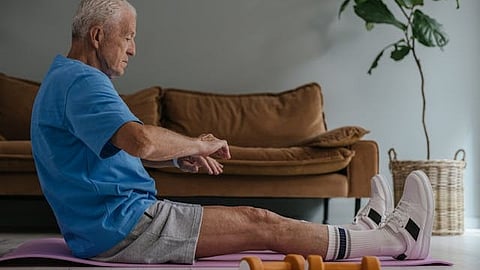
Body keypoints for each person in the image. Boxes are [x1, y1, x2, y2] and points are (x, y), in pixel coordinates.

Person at [31, 0, 435, 264]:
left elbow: (113, 146)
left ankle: (360, 232)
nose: (133, 48)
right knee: (260, 221)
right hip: (125, 227)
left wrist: (176, 155)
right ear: (98, 36)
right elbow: (141, 140)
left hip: (109, 225)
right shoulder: (83, 82)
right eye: (129, 36)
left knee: (260, 220)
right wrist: (197, 143)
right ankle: (398, 241)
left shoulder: (63, 79)